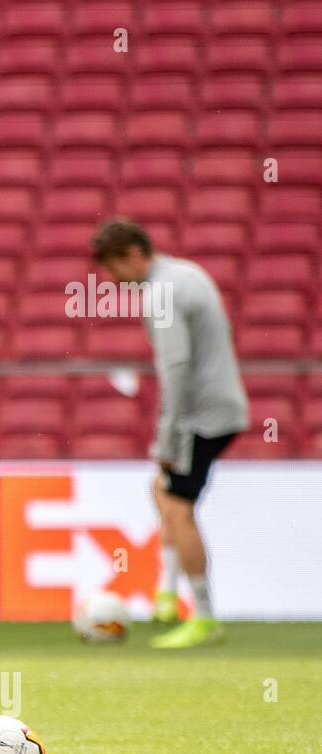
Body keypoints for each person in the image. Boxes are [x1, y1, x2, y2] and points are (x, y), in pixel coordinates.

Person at [91, 217, 249, 648]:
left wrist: (167, 435)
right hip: (222, 404)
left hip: (201, 416)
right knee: (161, 491)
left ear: (134, 255)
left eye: (114, 268)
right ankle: (166, 592)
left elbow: (175, 368)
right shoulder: (187, 272)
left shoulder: (161, 291)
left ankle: (203, 616)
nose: (114, 280)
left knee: (178, 509)